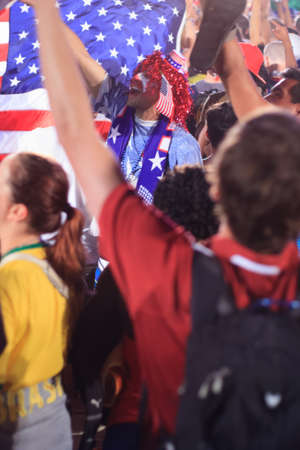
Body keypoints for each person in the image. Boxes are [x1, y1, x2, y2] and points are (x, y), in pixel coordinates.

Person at [33, 0, 300, 447]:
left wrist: (43, 11)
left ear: (215, 189)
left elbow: (75, 130)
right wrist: (224, 39)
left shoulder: (173, 270)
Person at [0, 153, 85, 449]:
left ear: (17, 211)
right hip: (51, 423)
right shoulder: (58, 267)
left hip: (15, 432)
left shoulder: (11, 279)